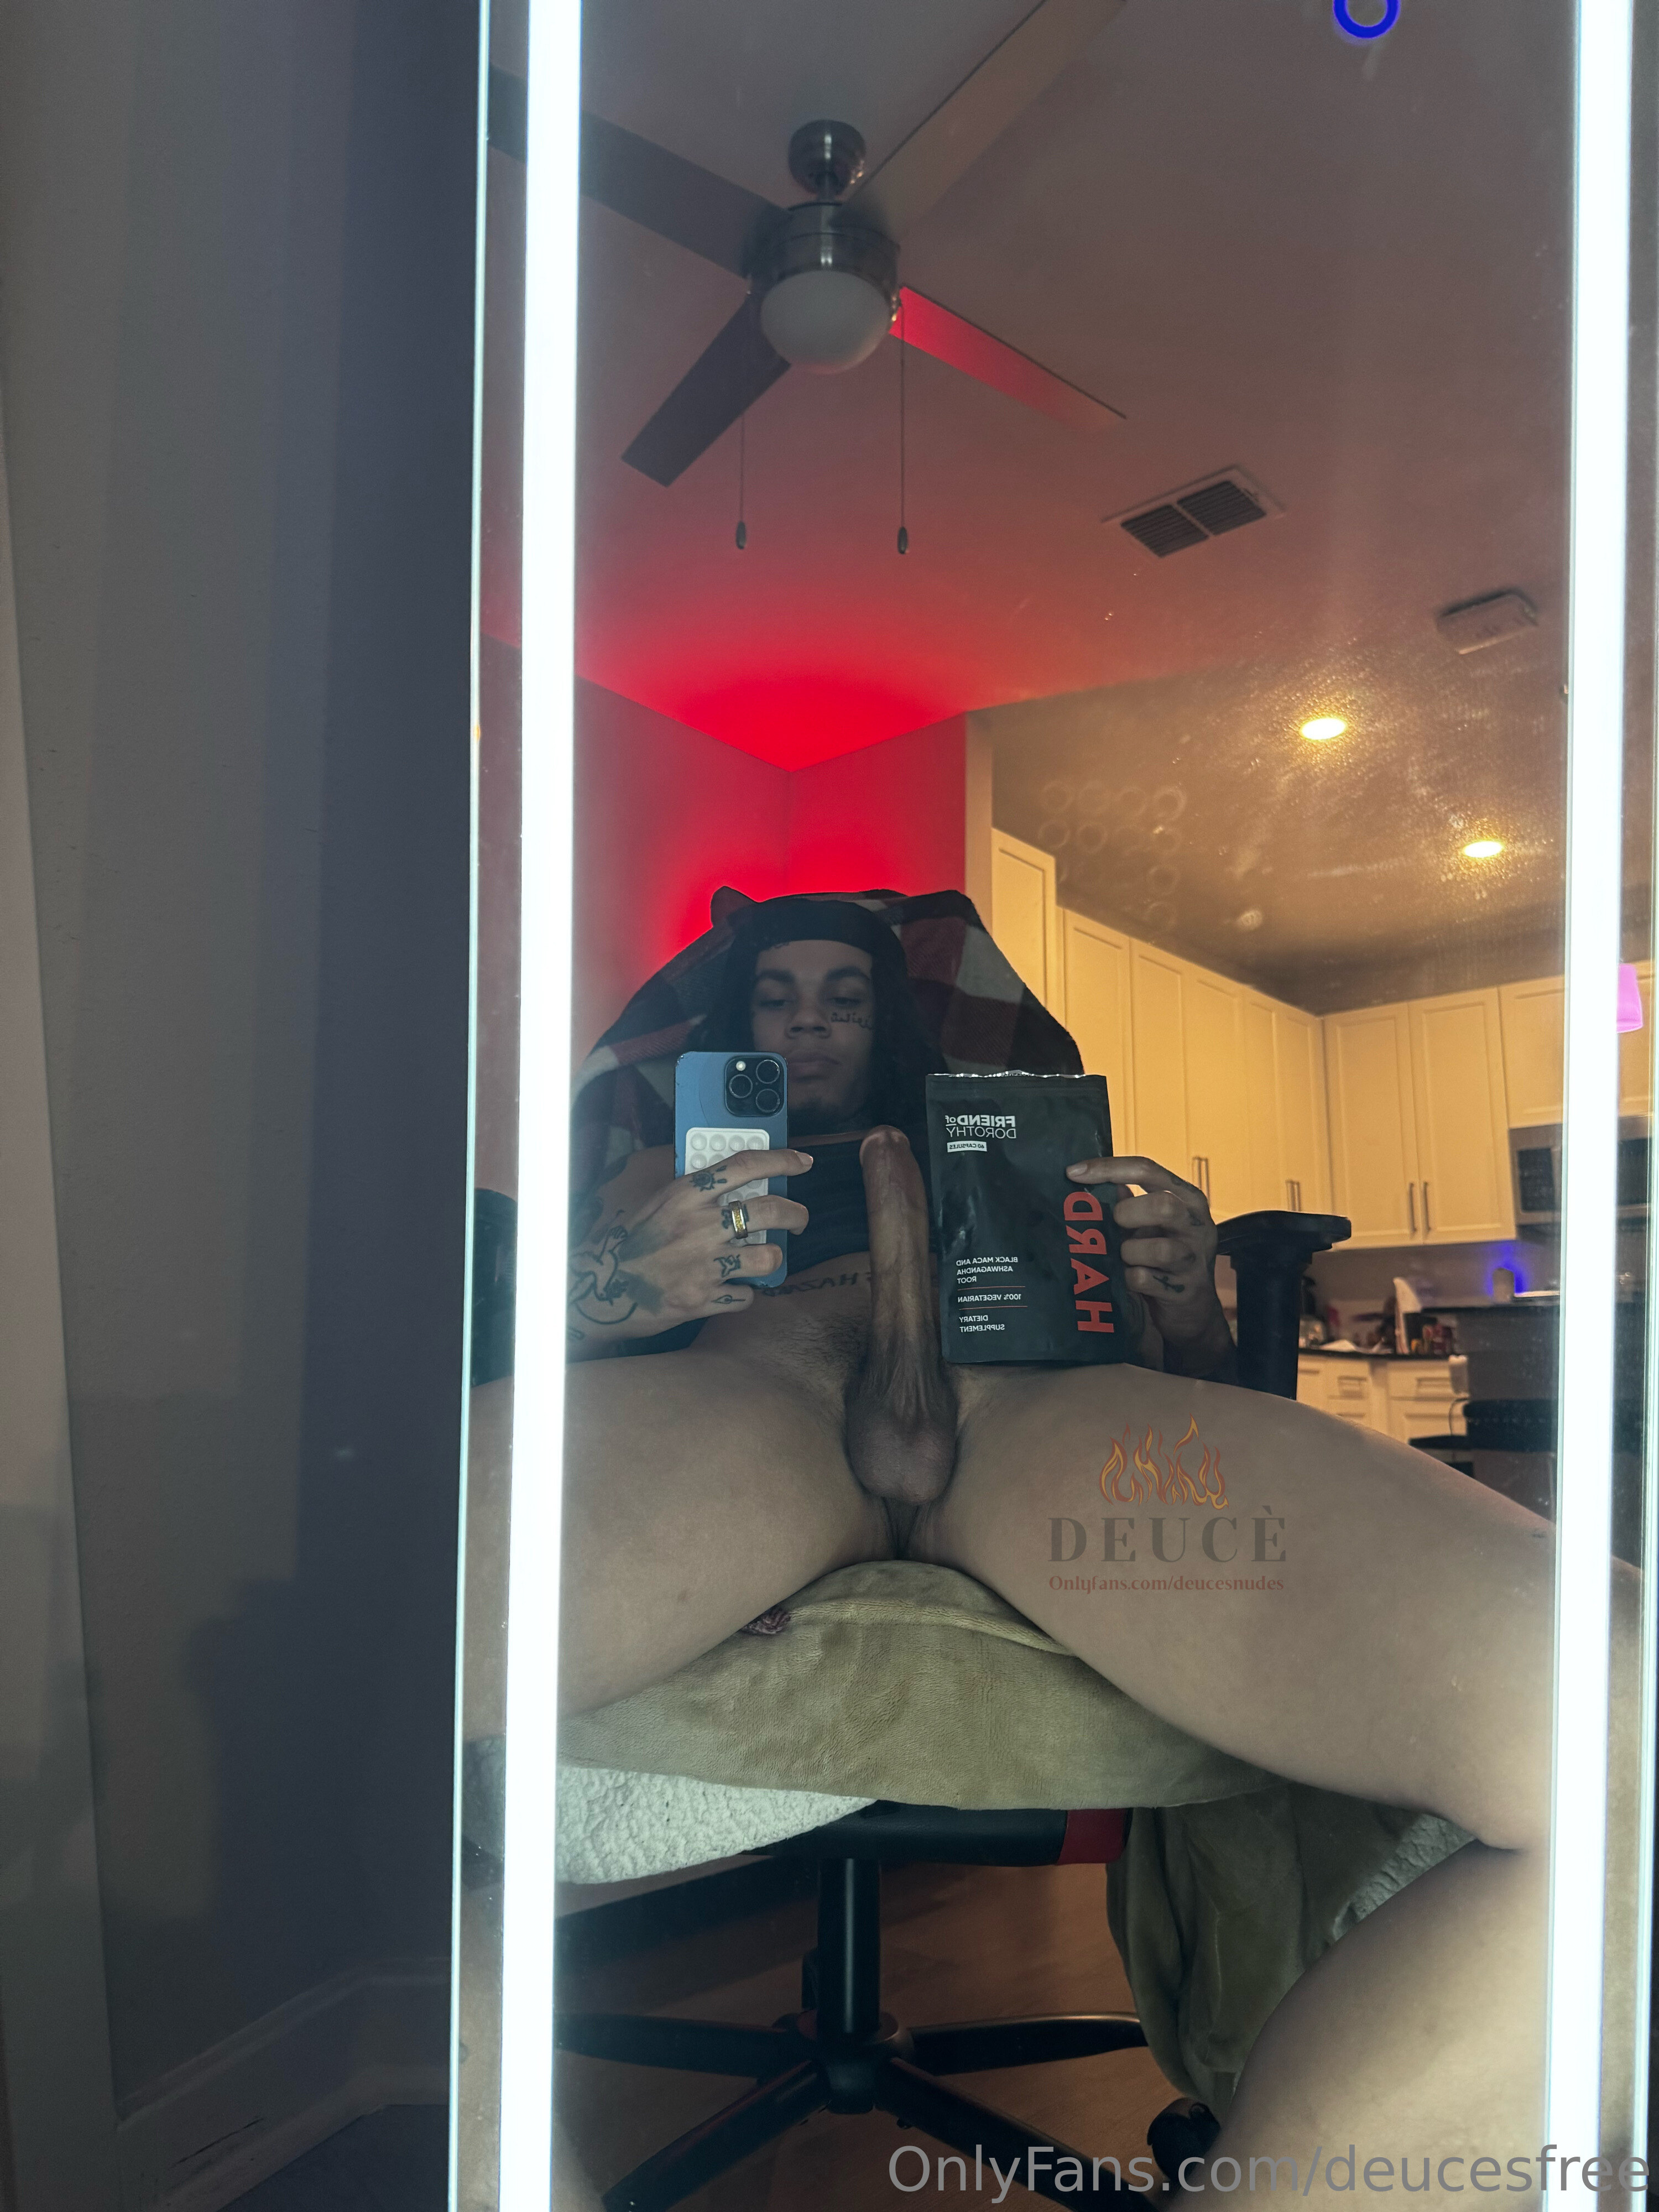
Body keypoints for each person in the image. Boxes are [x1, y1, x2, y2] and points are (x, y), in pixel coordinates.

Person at [554, 894, 1631, 2201]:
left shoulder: (1016, 1159)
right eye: (778, 996)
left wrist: (1182, 1296)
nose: (811, 1021)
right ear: (741, 1023)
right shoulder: (668, 1166)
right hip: (755, 1391)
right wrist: (613, 1283)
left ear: (889, 1021)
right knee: (380, 1645)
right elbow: (542, 1339)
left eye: (845, 995)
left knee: (1620, 1717)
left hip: (1024, 1404)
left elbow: (1197, 1378)